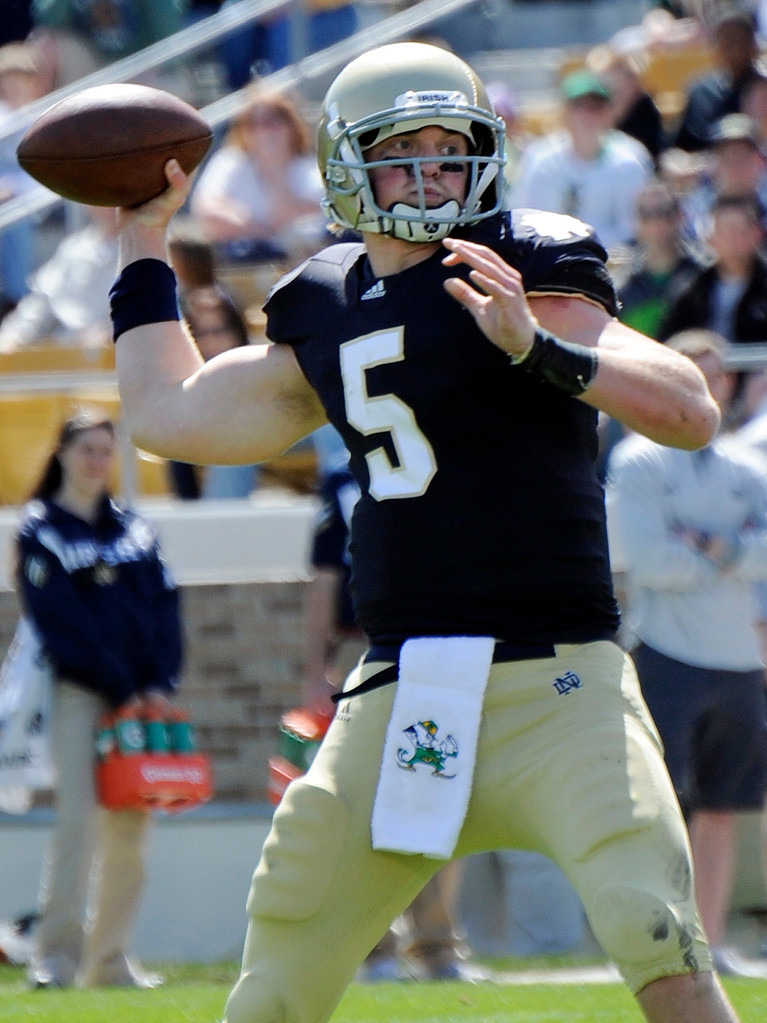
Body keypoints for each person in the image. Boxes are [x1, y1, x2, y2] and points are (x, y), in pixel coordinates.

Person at [110, 40, 736, 1023]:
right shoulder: (323, 298)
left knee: (650, 927)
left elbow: (688, 408)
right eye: (407, 153)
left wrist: (537, 348)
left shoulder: (523, 260)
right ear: (349, 165)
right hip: (401, 689)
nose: (434, 177)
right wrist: (143, 237)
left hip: (555, 681)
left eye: (453, 152)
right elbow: (169, 413)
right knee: (276, 970)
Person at [606, 329, 767, 976]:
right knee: (658, 807)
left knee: (722, 807)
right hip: (663, 652)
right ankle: (658, 940)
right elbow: (644, 559)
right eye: (695, 371)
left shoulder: (748, 467)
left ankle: (711, 941)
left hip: (736, 659)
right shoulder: (637, 460)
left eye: (720, 373)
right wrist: (733, 553)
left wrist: (703, 544)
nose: (712, 383)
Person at [16, 409, 183, 988]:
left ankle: (110, 962)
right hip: (81, 696)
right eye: (85, 448)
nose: (95, 460)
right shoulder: (40, 530)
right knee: (77, 824)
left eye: (105, 450)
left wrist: (160, 683)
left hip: (143, 701)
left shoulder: (136, 529)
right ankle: (56, 962)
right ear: (61, 453)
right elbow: (61, 623)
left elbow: (166, 610)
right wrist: (122, 687)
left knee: (131, 832)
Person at [302, 459, 466, 982]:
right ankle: (373, 947)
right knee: (363, 804)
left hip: (441, 650)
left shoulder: (450, 456)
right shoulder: (344, 478)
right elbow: (326, 575)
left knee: (438, 795)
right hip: (372, 651)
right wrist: (314, 669)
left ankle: (437, 946)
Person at [508, 68, 652, 255]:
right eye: (580, 107)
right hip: (547, 259)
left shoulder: (629, 162)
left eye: (596, 108)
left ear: (610, 113)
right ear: (565, 112)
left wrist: (584, 244)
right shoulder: (540, 160)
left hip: (611, 260)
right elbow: (523, 218)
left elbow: (632, 229)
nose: (588, 116)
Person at [190, 87, 328, 268]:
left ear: (292, 125)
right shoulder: (231, 162)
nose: (263, 131)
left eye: (272, 121)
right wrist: (262, 230)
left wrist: (275, 169)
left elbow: (285, 214)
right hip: (246, 261)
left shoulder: (308, 168)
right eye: (252, 124)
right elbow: (208, 214)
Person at [0, 204, 119, 351]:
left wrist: (112, 331)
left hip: (121, 356)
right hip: (70, 357)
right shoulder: (73, 249)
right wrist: (14, 334)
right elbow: (41, 303)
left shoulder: (146, 250)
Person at [659, 193, 767, 348]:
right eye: (725, 231)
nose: (733, 239)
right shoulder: (690, 290)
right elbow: (668, 341)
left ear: (757, 233)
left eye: (739, 230)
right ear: (710, 237)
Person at [618, 176, 704, 339]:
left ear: (680, 216)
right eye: (646, 215)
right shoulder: (621, 285)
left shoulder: (705, 275)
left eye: (664, 213)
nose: (656, 223)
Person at [673, 8, 767, 152]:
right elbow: (681, 147)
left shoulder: (762, 91)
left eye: (739, 42)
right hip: (707, 166)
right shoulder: (701, 91)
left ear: (754, 47)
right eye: (725, 42)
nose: (732, 50)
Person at [679, 113, 767, 255]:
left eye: (742, 159)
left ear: (759, 162)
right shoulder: (691, 215)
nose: (735, 168)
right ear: (712, 165)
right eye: (727, 159)